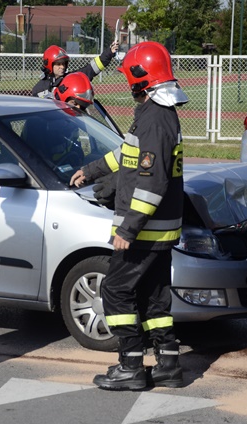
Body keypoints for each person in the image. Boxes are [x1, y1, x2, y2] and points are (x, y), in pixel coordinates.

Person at [69, 41, 189, 390]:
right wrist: (90, 170)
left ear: (141, 79)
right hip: (161, 229)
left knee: (116, 290)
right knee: (154, 295)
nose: (127, 85)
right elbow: (127, 156)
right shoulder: (158, 115)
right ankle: (168, 364)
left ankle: (131, 367)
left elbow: (153, 182)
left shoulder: (154, 118)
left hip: (145, 229)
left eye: (129, 79)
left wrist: (129, 228)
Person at [32, 41, 119, 99]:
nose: (62, 67)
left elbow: (91, 69)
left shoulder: (70, 79)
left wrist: (109, 52)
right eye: (58, 64)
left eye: (64, 64)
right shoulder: (38, 89)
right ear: (49, 64)